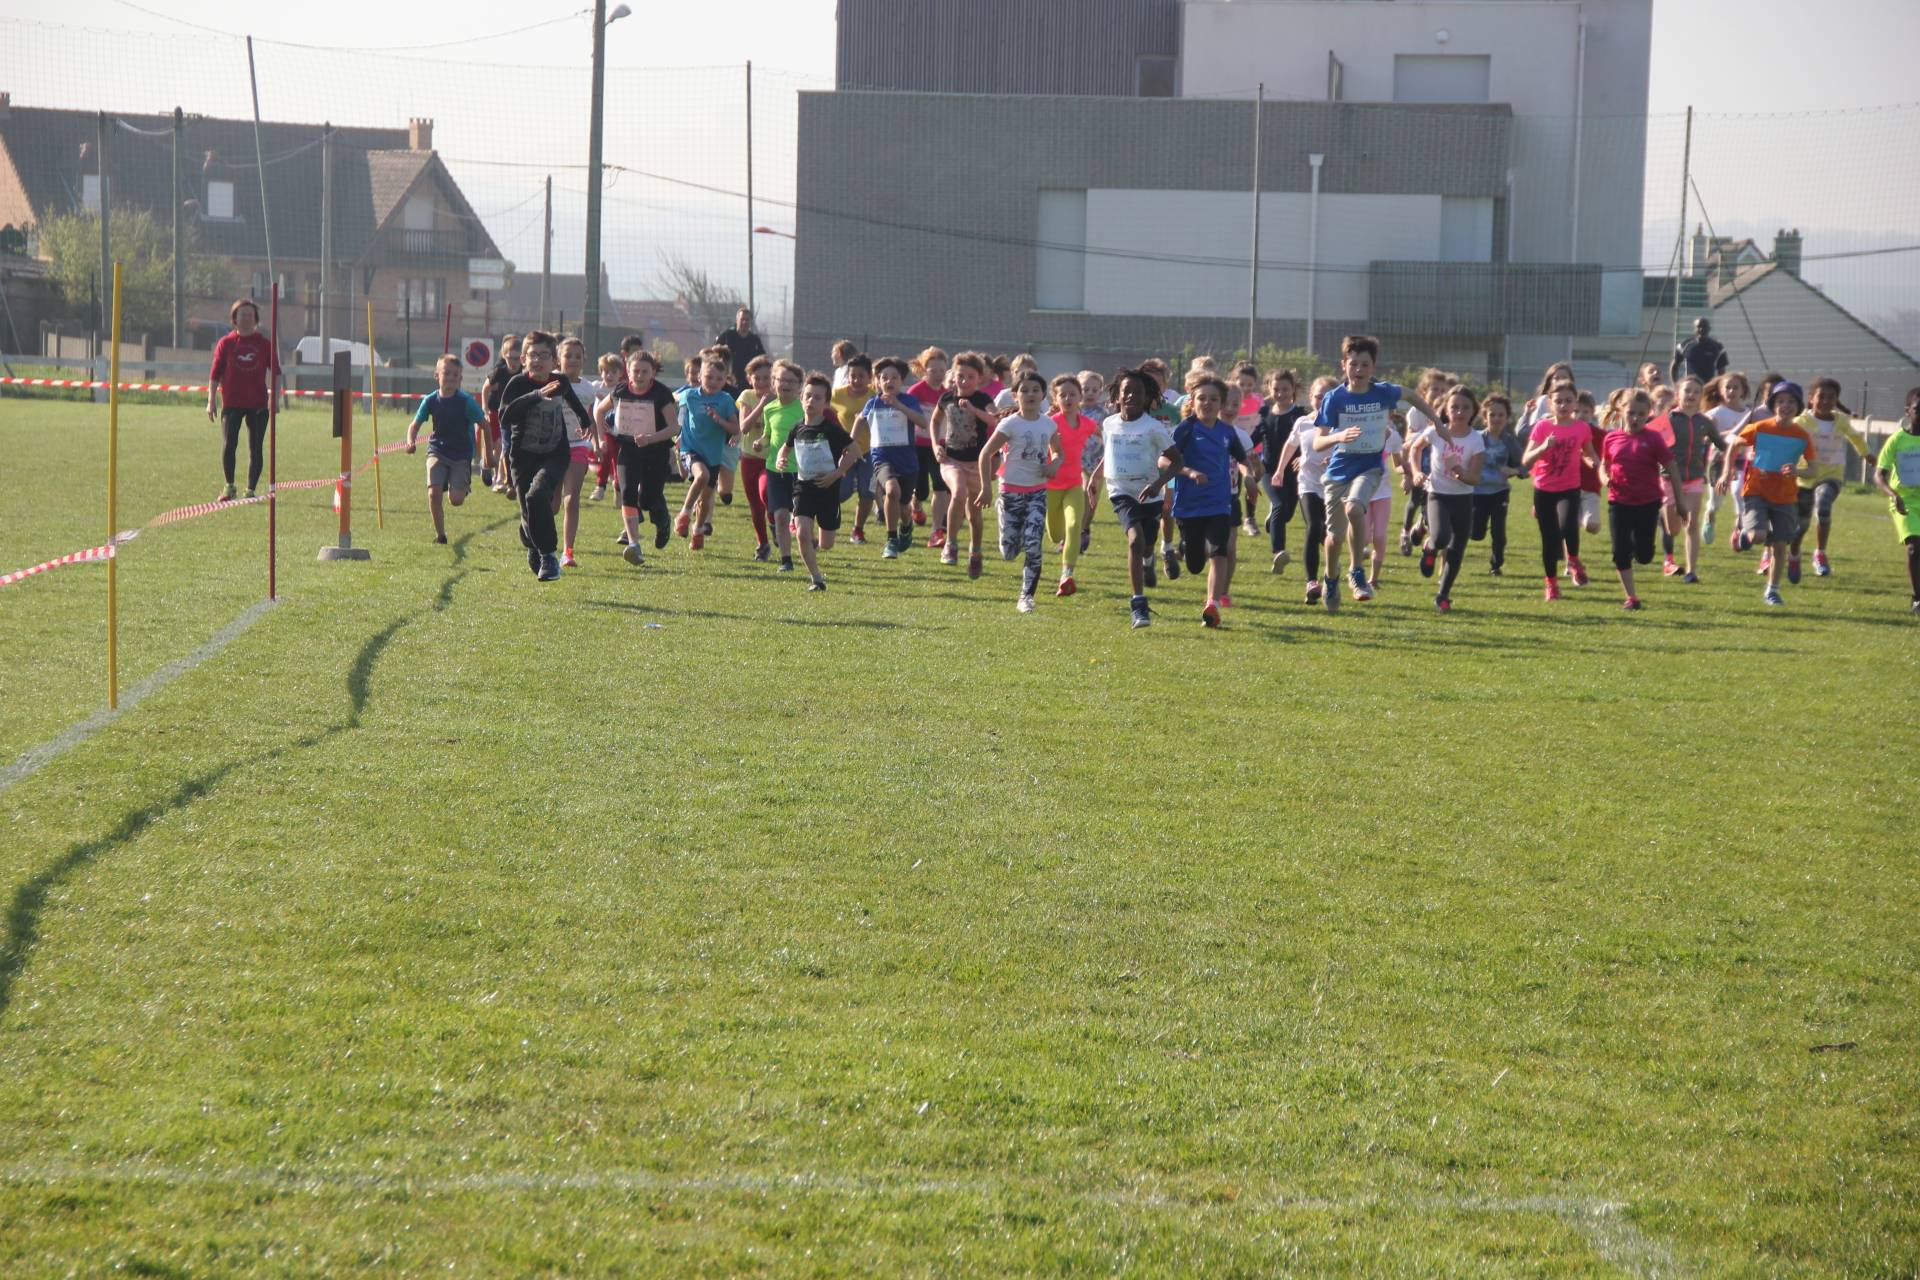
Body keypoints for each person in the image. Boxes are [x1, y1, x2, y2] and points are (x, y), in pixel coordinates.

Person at [1311, 334, 1439, 609]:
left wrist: (1438, 422)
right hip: (1338, 471)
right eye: (1353, 364)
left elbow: (1413, 395)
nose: (1359, 370)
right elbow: (1318, 441)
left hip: (1369, 468)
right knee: (1333, 538)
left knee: (1355, 508)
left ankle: (1356, 572)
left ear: (1373, 367)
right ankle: (1330, 578)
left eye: (1365, 365)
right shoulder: (1335, 399)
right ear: (1343, 365)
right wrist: (1338, 436)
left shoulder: (1382, 392)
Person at [1083, 367, 1180, 629]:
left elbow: (1177, 461)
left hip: (1150, 493)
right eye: (1126, 391)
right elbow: (1110, 453)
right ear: (1117, 395)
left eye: (1138, 392)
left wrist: (1158, 484)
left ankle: (1149, 560)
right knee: (1135, 541)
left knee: (1147, 543)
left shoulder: (1153, 428)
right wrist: (1096, 476)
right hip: (1122, 492)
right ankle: (1138, 604)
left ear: (1148, 397)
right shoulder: (1109, 423)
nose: (1131, 396)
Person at [498, 330, 591, 581]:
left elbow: (573, 402)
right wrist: (536, 396)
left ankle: (549, 557)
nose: (537, 360)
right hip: (521, 456)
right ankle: (531, 542)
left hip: (555, 453)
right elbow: (505, 417)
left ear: (554, 361)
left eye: (543, 355)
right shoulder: (517, 384)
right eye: (532, 355)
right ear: (524, 360)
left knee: (538, 495)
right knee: (529, 511)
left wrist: (586, 422)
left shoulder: (561, 381)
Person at [1720, 380, 1815, 607]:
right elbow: (1734, 444)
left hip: (1785, 497)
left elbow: (1813, 470)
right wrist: (1727, 471)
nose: (1786, 406)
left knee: (1780, 545)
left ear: (1798, 407)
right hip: (1757, 491)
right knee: (1758, 537)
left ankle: (1772, 590)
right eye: (1781, 401)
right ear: (1773, 405)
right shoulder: (1761, 428)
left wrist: (1797, 470)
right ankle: (1745, 532)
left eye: (1791, 402)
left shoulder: (1802, 436)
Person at [976, 371, 1062, 613]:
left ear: (1043, 395)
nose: (1030, 394)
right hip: (1010, 492)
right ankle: (1004, 517)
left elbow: (1058, 452)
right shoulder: (1010, 424)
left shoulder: (1048, 423)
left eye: (1035, 390)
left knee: (1034, 543)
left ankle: (1026, 597)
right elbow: (986, 454)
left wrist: (1054, 464)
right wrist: (985, 487)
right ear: (1015, 396)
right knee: (1009, 552)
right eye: (1024, 390)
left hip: (1037, 492)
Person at [1171, 374, 1251, 627]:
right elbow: (1164, 461)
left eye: (1214, 399)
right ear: (1192, 401)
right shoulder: (1185, 429)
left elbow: (1243, 459)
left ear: (1222, 404)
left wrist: (1248, 476)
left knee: (1220, 551)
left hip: (1219, 503)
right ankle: (1183, 549)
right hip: (1189, 505)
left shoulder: (1227, 432)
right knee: (1195, 565)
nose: (1207, 403)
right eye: (1202, 398)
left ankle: (1212, 604)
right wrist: (1189, 472)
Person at [776, 372, 865, 591]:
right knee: (803, 532)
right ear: (801, 398)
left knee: (827, 544)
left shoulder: (832, 430)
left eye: (817, 398)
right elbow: (786, 447)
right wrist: (781, 458)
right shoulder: (797, 428)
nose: (811, 401)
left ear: (826, 403)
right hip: (803, 488)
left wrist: (837, 473)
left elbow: (855, 450)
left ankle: (818, 544)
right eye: (807, 396)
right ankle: (816, 578)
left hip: (828, 489)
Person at [1602, 387, 1685, 611]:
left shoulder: (1654, 439)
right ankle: (1632, 598)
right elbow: (1605, 464)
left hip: (1647, 504)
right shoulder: (1611, 438)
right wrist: (1604, 478)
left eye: (1641, 414)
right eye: (1631, 413)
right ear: (1621, 411)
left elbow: (1672, 468)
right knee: (1620, 552)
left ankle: (1638, 549)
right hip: (1618, 501)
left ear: (1648, 413)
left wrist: (1680, 501)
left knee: (1645, 556)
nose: (1635, 418)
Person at [596, 348, 679, 565]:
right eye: (636, 371)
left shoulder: (661, 393)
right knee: (628, 493)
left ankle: (663, 522)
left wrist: (650, 438)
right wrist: (602, 437)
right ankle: (634, 545)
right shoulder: (620, 390)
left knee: (648, 499)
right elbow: (599, 411)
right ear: (628, 371)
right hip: (629, 450)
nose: (639, 375)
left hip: (656, 452)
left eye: (644, 371)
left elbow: (674, 428)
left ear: (652, 373)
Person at [1519, 382, 1601, 601]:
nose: (1563, 405)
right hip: (1544, 490)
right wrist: (1543, 447)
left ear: (1575, 402)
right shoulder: (1542, 427)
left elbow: (1587, 452)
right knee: (1549, 540)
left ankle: (1573, 560)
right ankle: (1551, 584)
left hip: (1569, 488)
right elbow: (1526, 460)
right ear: (1550, 403)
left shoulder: (1581, 428)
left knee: (1567, 526)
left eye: (1568, 401)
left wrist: (1593, 462)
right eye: (1558, 401)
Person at [1409, 383, 1487, 612]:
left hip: (1463, 499)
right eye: (1455, 407)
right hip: (1438, 495)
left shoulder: (1476, 440)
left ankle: (1443, 595)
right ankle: (1430, 548)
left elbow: (1474, 478)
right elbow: (1415, 449)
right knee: (1442, 537)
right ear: (1446, 410)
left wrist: (1461, 472)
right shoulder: (1435, 431)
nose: (1460, 412)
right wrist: (1415, 472)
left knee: (1456, 551)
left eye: (1465, 408)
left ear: (1473, 411)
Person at [1790, 376, 1870, 580]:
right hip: (1805, 477)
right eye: (1821, 396)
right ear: (1811, 398)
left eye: (1831, 397)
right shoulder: (1801, 422)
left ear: (1837, 400)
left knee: (1824, 504)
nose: (1825, 401)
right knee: (1801, 525)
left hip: (1831, 475)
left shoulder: (1841, 421)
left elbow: (1856, 437)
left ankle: (1820, 553)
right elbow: (1787, 440)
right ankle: (1794, 553)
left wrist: (1868, 455)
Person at [403, 354, 485, 544]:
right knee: (433, 493)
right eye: (446, 373)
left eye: (455, 375)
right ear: (436, 375)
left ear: (460, 379)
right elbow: (414, 425)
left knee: (456, 500)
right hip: (437, 450)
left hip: (461, 454)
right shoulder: (430, 400)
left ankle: (459, 485)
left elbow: (484, 425)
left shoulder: (466, 402)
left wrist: (486, 456)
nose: (450, 378)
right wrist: (410, 441)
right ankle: (440, 535)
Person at [1653, 376, 1727, 584]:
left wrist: (1740, 444)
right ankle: (1663, 515)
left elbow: (1721, 444)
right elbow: (1647, 440)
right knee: (1672, 529)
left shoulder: (1705, 422)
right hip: (1669, 479)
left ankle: (1691, 571)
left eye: (1696, 391)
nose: (1692, 395)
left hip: (1695, 479)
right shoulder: (1667, 419)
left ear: (1701, 396)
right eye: (1688, 390)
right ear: (1678, 395)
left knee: (1692, 524)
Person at [205, 297, 281, 502]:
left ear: (255, 318)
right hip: (231, 403)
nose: (246, 318)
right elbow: (214, 374)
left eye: (250, 314)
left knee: (255, 447)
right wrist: (211, 400)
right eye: (242, 314)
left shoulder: (264, 344)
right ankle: (229, 487)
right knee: (229, 444)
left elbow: (276, 373)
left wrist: (276, 400)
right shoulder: (226, 343)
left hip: (257, 405)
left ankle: (251, 489)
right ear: (234, 319)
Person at [930, 352, 998, 578]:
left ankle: (975, 552)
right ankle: (950, 543)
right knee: (957, 492)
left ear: (979, 379)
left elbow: (995, 420)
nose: (964, 381)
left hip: (977, 463)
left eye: (970, 377)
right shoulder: (946, 399)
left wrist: (974, 410)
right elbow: (935, 421)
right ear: (954, 376)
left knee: (974, 515)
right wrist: (935, 445)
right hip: (951, 460)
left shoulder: (982, 400)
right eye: (960, 376)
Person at [1272, 376, 1338, 606]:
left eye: (1328, 396)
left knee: (1330, 535)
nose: (1323, 400)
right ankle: (1312, 581)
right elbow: (1291, 445)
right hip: (1308, 484)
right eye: (1319, 396)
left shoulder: (1342, 423)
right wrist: (1280, 470)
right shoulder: (1303, 423)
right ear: (1311, 397)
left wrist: (1334, 458)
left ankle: (1332, 569)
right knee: (1314, 525)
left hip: (1334, 486)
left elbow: (1348, 447)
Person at [856, 356, 925, 558]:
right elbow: (860, 421)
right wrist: (850, 442)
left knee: (904, 507)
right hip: (881, 458)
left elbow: (923, 422)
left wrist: (899, 407)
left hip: (908, 462)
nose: (889, 381)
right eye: (884, 377)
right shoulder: (873, 403)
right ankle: (891, 540)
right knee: (891, 490)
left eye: (894, 377)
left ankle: (907, 525)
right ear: (877, 381)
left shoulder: (909, 401)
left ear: (901, 381)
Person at [672, 354, 741, 552]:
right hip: (691, 450)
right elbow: (670, 401)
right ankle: (683, 514)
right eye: (709, 377)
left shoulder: (726, 399)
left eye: (719, 379)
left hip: (713, 454)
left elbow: (735, 429)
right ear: (699, 376)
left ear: (725, 380)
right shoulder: (689, 395)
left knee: (705, 498)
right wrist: (676, 433)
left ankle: (698, 529)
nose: (713, 382)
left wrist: (720, 420)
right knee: (702, 476)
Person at [1044, 374, 1100, 596]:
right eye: (1062, 395)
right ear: (1055, 399)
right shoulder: (1050, 423)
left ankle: (1066, 575)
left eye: (1072, 394)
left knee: (1074, 525)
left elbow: (1108, 438)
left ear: (1080, 397)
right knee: (1056, 534)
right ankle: (1064, 558)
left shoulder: (1087, 424)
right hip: (1050, 486)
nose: (1068, 398)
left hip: (1075, 486)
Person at [749, 359, 807, 573]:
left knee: (801, 519)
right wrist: (760, 443)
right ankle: (786, 560)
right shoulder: (770, 408)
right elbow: (768, 436)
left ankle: (806, 549)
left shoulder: (803, 409)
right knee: (781, 516)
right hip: (775, 469)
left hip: (800, 471)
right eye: (781, 379)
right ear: (774, 383)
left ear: (799, 385)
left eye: (791, 381)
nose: (786, 384)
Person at [554, 337, 602, 568]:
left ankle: (568, 552)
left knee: (571, 499)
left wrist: (598, 443)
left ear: (584, 360)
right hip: (551, 448)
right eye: (568, 355)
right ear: (558, 359)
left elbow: (591, 418)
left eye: (577, 356)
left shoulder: (587, 388)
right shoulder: (551, 383)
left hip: (578, 447)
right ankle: (540, 540)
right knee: (552, 506)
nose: (573, 360)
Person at [1872, 386, 1920, 614]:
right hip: (1905, 504)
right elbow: (1879, 475)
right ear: (1908, 411)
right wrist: (1894, 495)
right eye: (1918, 409)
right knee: (1913, 547)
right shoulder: (1897, 440)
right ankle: (1918, 598)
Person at [1255, 368, 1306, 574]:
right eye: (1276, 389)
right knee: (1279, 504)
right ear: (1269, 389)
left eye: (1285, 389)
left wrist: (1304, 458)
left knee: (1286, 513)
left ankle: (1273, 521)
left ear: (1293, 390)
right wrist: (1244, 451)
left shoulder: (1300, 415)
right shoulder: (1264, 414)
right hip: (1270, 471)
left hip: (1294, 472)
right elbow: (1254, 438)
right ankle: (1278, 553)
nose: (1280, 393)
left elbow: (1309, 440)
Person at [1399, 368, 1451, 554]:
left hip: (1438, 465)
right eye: (1434, 389)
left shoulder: (1447, 412)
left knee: (1434, 502)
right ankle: (1405, 532)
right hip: (1419, 462)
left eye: (1442, 390)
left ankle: (1423, 526)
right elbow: (1408, 439)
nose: (1439, 393)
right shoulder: (1416, 412)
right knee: (1415, 499)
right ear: (1423, 392)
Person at [830, 353, 879, 544]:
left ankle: (858, 530)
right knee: (842, 492)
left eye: (861, 376)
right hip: (845, 452)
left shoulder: (875, 396)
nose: (856, 380)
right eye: (853, 376)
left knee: (868, 492)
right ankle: (826, 517)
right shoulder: (836, 395)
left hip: (870, 453)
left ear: (869, 377)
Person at [588, 334, 643, 500]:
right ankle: (600, 486)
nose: (608, 375)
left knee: (619, 459)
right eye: (605, 371)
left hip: (620, 429)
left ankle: (618, 487)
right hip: (603, 429)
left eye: (613, 372)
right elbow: (589, 403)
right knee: (607, 452)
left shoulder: (621, 389)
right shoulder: (595, 387)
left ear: (621, 374)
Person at [1470, 393, 1520, 575]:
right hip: (1477, 492)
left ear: (1507, 418)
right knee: (1477, 533)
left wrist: (1513, 471)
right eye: (1492, 415)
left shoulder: (1510, 442)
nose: (1497, 418)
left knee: (1499, 532)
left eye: (1501, 415)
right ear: (1485, 418)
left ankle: (1496, 565)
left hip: (1499, 492)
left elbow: (1525, 465)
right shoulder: (1476, 438)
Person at [1700, 371, 1753, 542]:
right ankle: (1710, 517)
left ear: (1743, 390)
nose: (1731, 391)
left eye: (1735, 387)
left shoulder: (1749, 414)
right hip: (1719, 461)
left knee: (1740, 492)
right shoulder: (1715, 413)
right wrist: (1731, 433)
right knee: (1717, 500)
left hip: (1741, 460)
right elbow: (1707, 437)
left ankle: (1739, 528)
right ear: (1720, 391)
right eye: (1727, 387)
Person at [733, 355, 775, 561]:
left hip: (771, 459)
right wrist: (761, 405)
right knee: (755, 506)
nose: (762, 382)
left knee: (766, 492)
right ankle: (763, 544)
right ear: (750, 379)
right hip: (749, 458)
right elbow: (744, 427)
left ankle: (775, 522)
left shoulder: (780, 398)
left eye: (766, 378)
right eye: (757, 378)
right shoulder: (746, 396)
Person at [905, 347, 950, 536]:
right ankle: (916, 505)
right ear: (924, 370)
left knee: (941, 487)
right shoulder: (916, 391)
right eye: (934, 371)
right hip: (918, 445)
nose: (939, 375)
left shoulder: (947, 393)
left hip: (939, 445)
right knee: (922, 490)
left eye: (942, 370)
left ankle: (936, 529)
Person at [481, 333, 522, 495]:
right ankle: (490, 470)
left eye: (517, 358)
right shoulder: (500, 371)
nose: (514, 362)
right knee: (497, 445)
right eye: (510, 358)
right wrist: (484, 408)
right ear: (504, 356)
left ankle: (502, 478)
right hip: (495, 410)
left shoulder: (524, 372)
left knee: (506, 446)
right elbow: (485, 388)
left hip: (515, 414)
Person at [714, 307, 766, 388]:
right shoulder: (727, 335)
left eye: (747, 319)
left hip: (749, 382)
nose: (744, 322)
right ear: (737, 320)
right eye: (742, 319)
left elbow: (762, 359)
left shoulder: (754, 340)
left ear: (751, 322)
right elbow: (715, 353)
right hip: (729, 381)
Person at [1670, 316, 1729, 385]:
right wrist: (1675, 384)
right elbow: (1675, 366)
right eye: (1698, 327)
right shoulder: (1684, 345)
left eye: (1704, 327)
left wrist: (1718, 388)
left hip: (1708, 388)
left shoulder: (1718, 347)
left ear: (1709, 329)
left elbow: (1721, 372)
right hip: (1691, 388)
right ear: (1694, 329)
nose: (1701, 329)